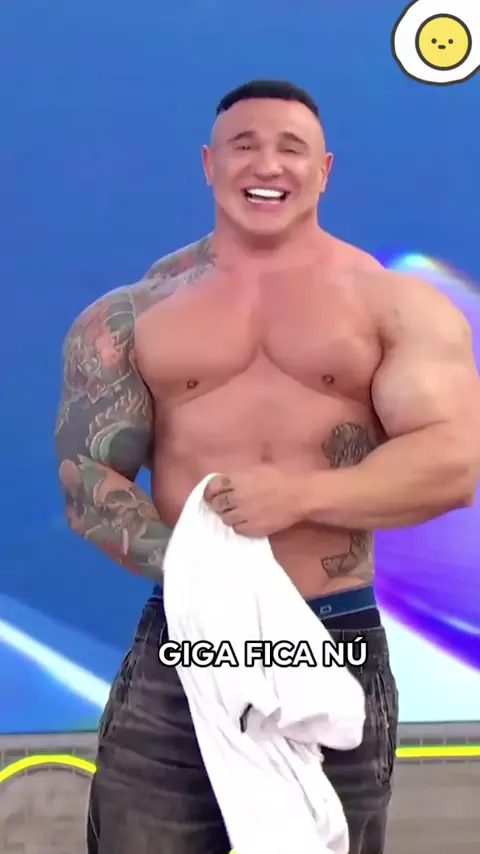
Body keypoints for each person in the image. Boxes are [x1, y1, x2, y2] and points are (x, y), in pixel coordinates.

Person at [55, 79, 480, 854]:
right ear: (209, 164)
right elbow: (89, 480)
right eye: (244, 146)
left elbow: (452, 462)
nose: (268, 165)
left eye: (291, 148)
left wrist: (302, 495)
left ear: (325, 170)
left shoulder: (395, 306)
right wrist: (207, 576)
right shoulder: (130, 315)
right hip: (187, 643)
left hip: (333, 636)